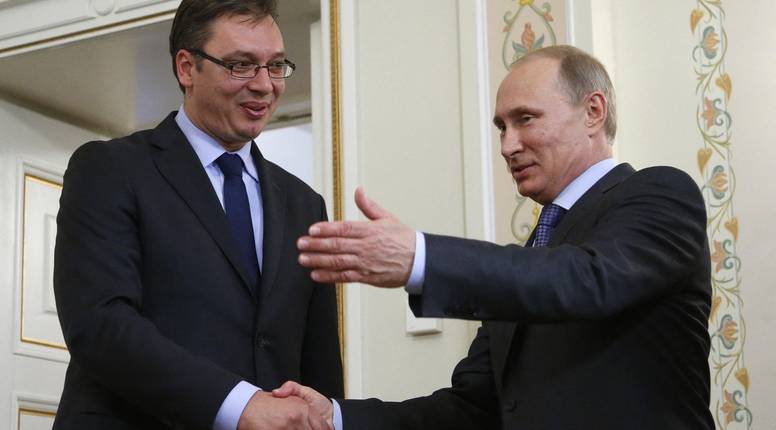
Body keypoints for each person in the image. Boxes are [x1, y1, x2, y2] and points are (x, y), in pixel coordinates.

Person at [276, 45, 714, 429]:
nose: (507, 146)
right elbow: (470, 409)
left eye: (526, 119)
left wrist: (421, 258)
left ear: (593, 112)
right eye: (502, 127)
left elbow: (584, 279)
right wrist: (336, 418)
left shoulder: (661, 194)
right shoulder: (527, 262)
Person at [53, 1, 342, 429]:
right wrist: (240, 405)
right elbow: (100, 325)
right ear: (187, 68)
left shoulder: (305, 204)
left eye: (275, 66)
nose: (265, 85)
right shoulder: (110, 169)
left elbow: (319, 366)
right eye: (242, 65)